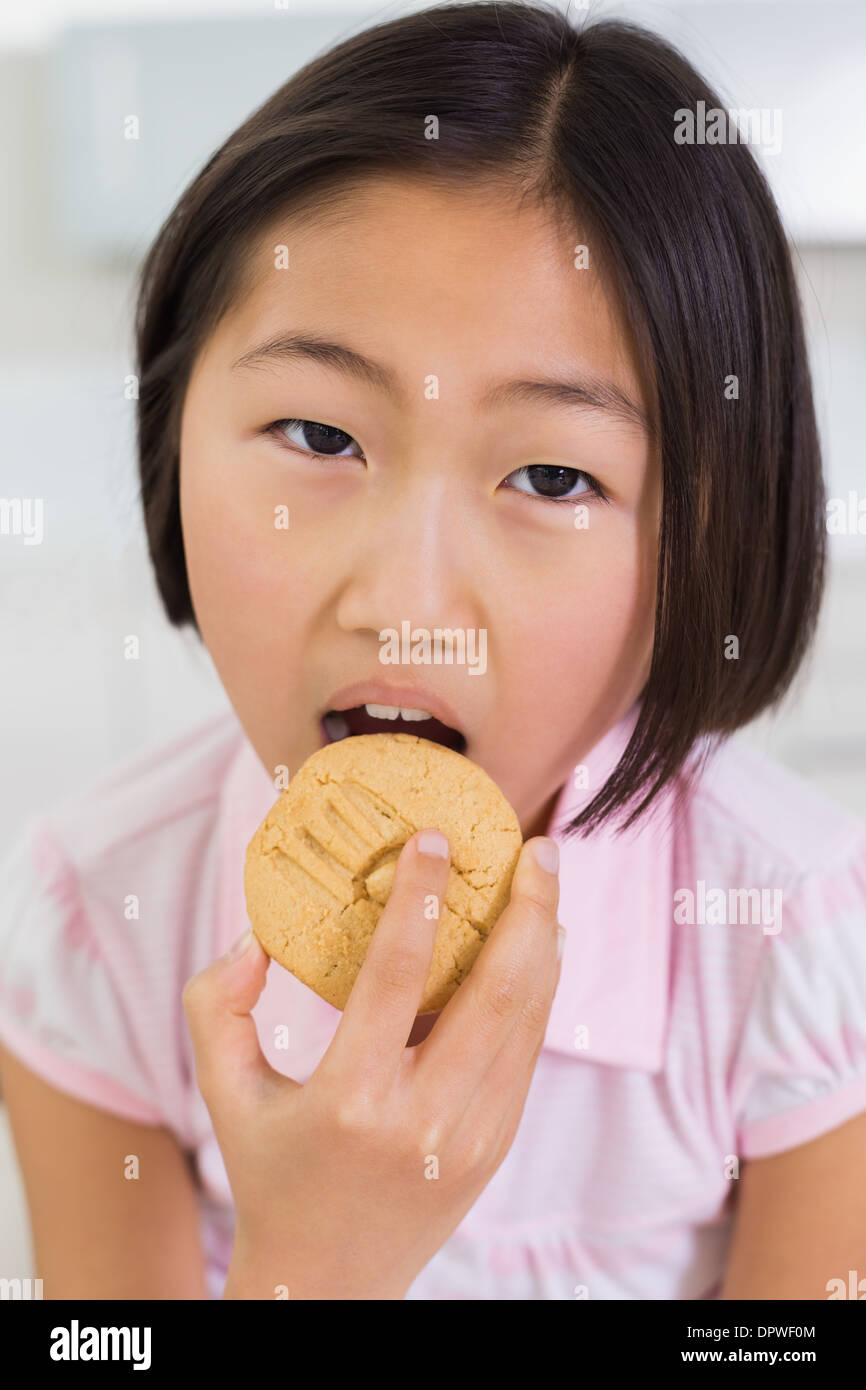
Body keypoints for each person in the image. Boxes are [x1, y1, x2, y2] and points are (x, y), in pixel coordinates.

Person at [2, 2, 865, 1300]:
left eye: (552, 472)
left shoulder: (796, 940)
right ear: (172, 437)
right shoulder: (93, 920)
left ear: (708, 535)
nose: (404, 595)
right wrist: (315, 1266)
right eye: (318, 436)